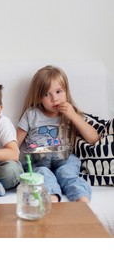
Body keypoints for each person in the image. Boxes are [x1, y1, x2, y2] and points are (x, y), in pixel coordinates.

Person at [17, 65, 99, 203]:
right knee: (43, 174)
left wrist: (73, 116)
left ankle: (83, 204)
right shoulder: (31, 114)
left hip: (65, 160)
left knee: (66, 174)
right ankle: (53, 201)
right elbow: (15, 143)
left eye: (58, 91)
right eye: (47, 94)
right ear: (39, 97)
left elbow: (93, 138)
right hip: (39, 162)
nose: (54, 98)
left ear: (66, 91)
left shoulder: (70, 113)